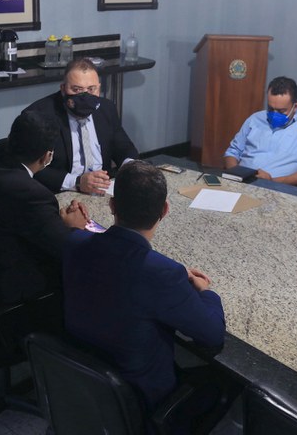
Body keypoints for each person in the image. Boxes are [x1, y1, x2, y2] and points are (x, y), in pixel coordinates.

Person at [62, 160, 226, 421]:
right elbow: (213, 335)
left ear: (112, 205)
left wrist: (75, 227)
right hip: (141, 400)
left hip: (85, 383)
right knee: (225, 384)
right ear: (165, 210)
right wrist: (206, 292)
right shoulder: (164, 273)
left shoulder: (74, 242)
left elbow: (84, 241)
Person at [0, 111, 89, 316]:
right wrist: (74, 228)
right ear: (47, 156)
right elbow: (65, 248)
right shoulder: (32, 194)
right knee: (84, 265)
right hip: (3, 290)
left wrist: (53, 222)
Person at [23, 57, 139, 195]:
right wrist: (77, 182)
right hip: (60, 192)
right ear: (63, 89)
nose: (85, 96)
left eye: (91, 89)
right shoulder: (39, 114)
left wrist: (131, 170)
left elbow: (124, 148)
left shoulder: (106, 108)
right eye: (77, 89)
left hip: (103, 189)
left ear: (99, 88)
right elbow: (30, 167)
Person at [224, 76, 297, 186]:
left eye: (281, 111)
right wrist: (236, 175)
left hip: (280, 187)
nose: (274, 114)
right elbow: (233, 152)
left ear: (295, 107)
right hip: (241, 182)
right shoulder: (255, 119)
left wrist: (272, 181)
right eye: (271, 109)